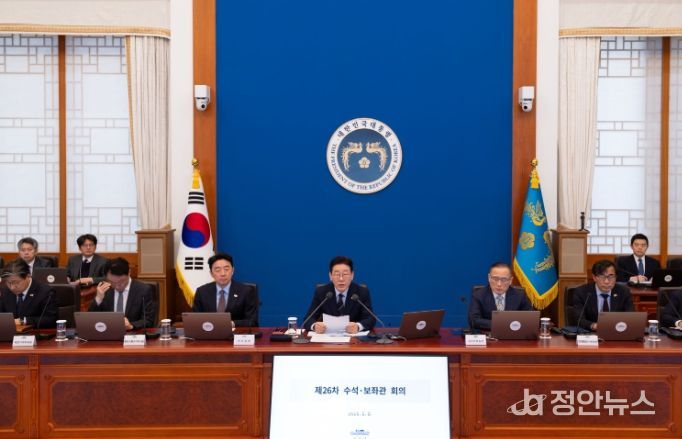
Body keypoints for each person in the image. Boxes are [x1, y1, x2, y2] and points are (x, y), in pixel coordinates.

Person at [304, 256, 376, 334]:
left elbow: (370, 318)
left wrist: (358, 326)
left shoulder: (361, 292)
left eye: (345, 274)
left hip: (353, 338)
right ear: (330, 276)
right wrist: (315, 326)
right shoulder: (321, 292)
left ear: (352, 275)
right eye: (337, 274)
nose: (341, 279)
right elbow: (308, 319)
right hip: (328, 338)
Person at [192, 253, 259, 327]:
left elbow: (252, 321)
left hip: (236, 333)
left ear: (232, 270)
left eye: (226, 269)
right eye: (218, 270)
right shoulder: (202, 292)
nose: (223, 273)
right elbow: (195, 320)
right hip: (209, 332)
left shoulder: (246, 291)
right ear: (211, 273)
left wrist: (232, 324)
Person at [88, 257, 155, 330]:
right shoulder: (104, 289)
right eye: (112, 282)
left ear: (129, 273)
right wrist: (98, 299)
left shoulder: (143, 290)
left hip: (132, 334)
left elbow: (148, 320)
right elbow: (90, 320)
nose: (117, 286)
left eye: (121, 281)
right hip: (108, 333)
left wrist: (131, 326)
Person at [572, 259, 634, 331]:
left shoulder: (624, 292)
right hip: (591, 333)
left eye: (611, 277)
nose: (607, 281)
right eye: (602, 276)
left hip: (617, 332)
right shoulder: (582, 292)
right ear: (594, 277)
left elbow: (630, 317)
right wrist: (594, 325)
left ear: (616, 277)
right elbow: (579, 319)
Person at [468, 262, 533, 331]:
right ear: (489, 278)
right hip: (489, 334)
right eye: (495, 279)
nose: (499, 284)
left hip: (513, 334)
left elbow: (530, 317)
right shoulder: (478, 295)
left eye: (504, 280)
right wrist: (502, 324)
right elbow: (474, 320)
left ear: (510, 280)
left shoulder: (520, 295)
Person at [0, 259, 57, 328]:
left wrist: (23, 321)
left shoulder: (46, 292)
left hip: (34, 332)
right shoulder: (5, 290)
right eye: (8, 283)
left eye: (16, 282)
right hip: (9, 332)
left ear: (28, 276)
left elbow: (51, 319)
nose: (12, 287)